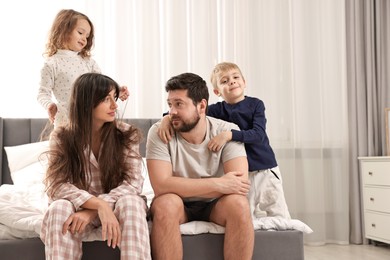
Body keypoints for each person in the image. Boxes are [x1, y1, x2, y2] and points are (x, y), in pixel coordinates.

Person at [158, 62, 291, 219]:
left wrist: (229, 135)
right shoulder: (217, 110)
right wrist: (165, 119)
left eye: (236, 77)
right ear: (217, 91)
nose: (232, 82)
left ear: (244, 82)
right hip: (242, 173)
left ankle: (287, 240)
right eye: (224, 81)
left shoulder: (256, 104)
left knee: (279, 212)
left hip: (265, 169)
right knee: (244, 215)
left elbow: (258, 134)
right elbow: (187, 111)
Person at [40, 73, 151, 260]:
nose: (114, 105)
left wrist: (95, 210)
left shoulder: (126, 134)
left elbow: (132, 184)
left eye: (114, 98)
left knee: (131, 203)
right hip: (78, 208)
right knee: (58, 208)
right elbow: (56, 185)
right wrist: (97, 204)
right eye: (106, 99)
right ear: (86, 102)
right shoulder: (62, 137)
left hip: (117, 205)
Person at [146, 72, 254, 260]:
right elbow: (161, 186)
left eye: (179, 104)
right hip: (178, 203)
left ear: (202, 106)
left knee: (239, 204)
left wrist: (183, 185)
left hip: (216, 205)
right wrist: (217, 184)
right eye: (170, 104)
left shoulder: (227, 131)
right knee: (165, 204)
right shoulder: (159, 132)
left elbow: (239, 184)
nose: (171, 112)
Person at [37, 9, 129, 128]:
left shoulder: (88, 62)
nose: (85, 39)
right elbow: (42, 93)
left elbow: (102, 86)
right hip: (66, 123)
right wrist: (49, 105)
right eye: (80, 33)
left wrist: (117, 90)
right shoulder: (51, 64)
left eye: (87, 36)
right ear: (63, 30)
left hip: (91, 122)